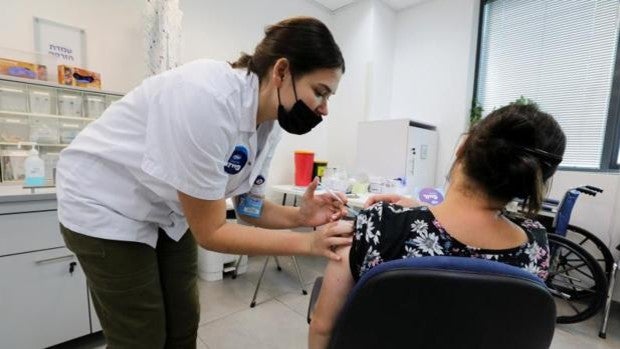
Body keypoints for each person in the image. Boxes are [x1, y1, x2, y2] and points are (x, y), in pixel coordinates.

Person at [56, 16, 349, 349]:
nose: (324, 109)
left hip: (167, 210)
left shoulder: (271, 123)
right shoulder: (207, 97)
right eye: (320, 92)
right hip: (104, 201)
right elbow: (212, 232)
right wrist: (307, 244)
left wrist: (300, 218)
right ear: (281, 71)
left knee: (182, 326)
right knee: (141, 337)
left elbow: (247, 207)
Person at [308, 103, 566, 349]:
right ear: (531, 179)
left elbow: (322, 326)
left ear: (462, 146)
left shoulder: (380, 223)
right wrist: (418, 207)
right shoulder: (536, 246)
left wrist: (411, 215)